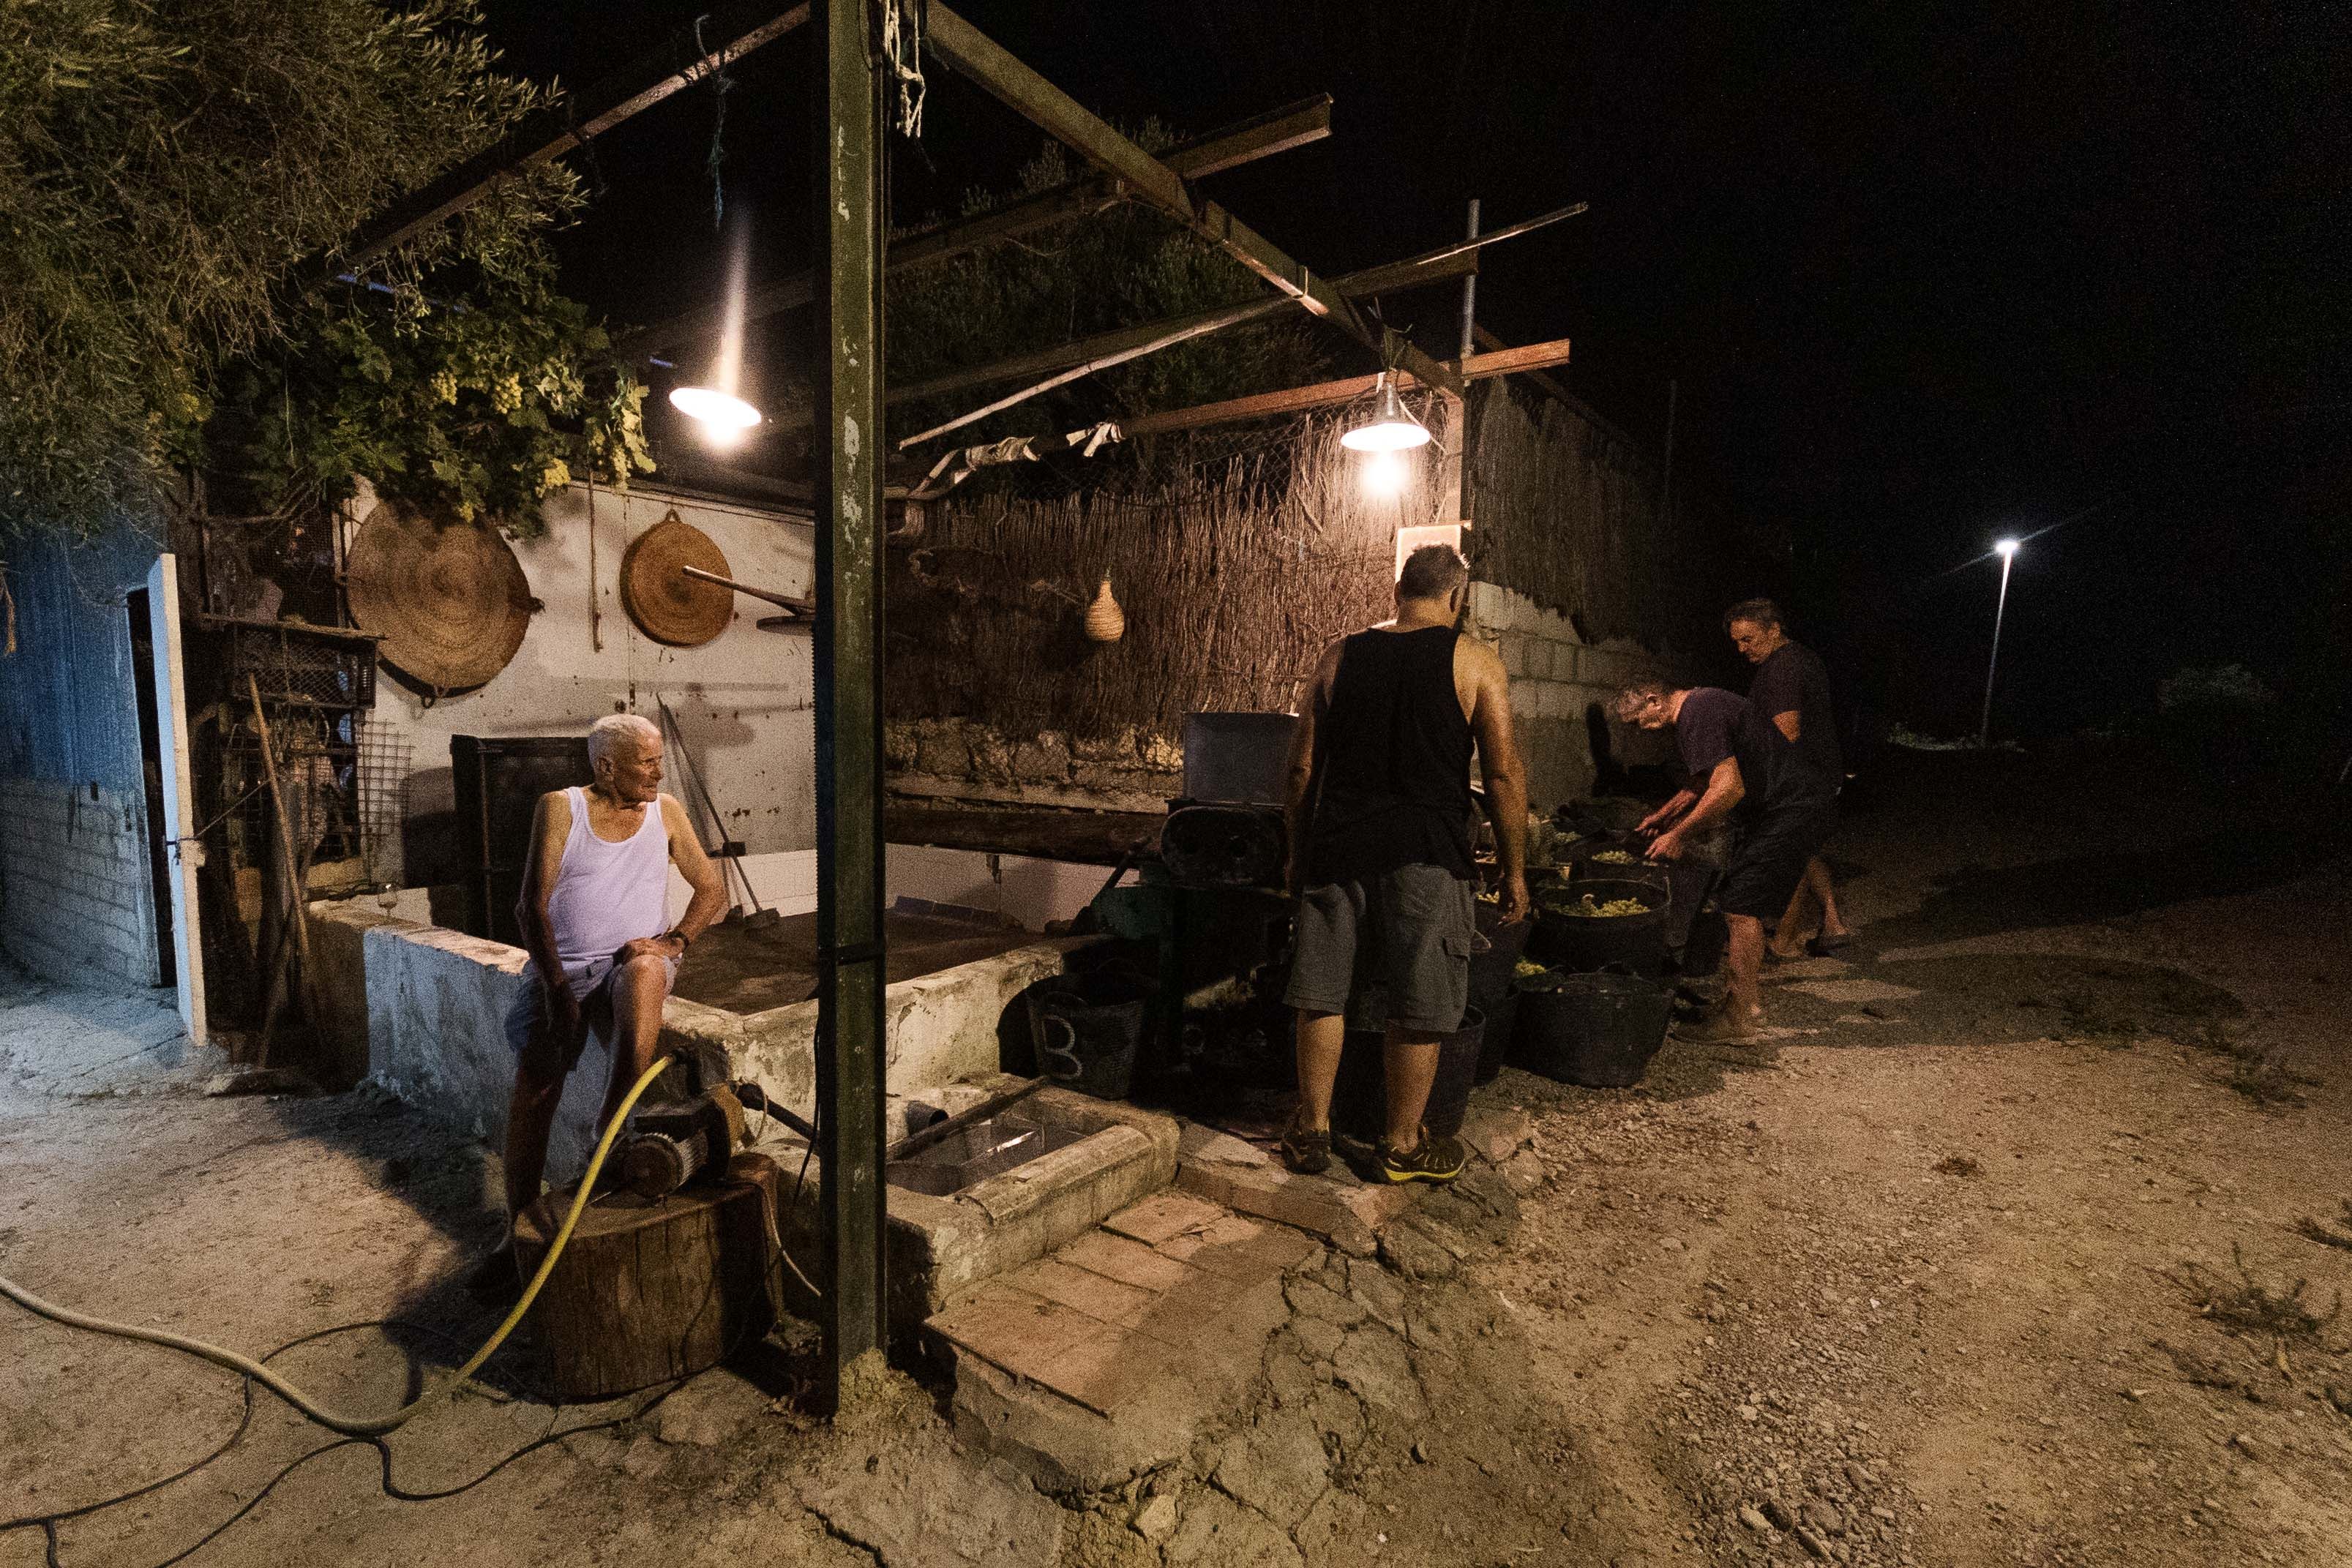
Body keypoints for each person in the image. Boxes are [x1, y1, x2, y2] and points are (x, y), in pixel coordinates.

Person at [1279, 544, 1529, 1183]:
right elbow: (1501, 773)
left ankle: (1311, 1133)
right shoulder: (1475, 662)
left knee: (1322, 992)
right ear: (1456, 597)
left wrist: (1297, 854)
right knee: (1420, 1002)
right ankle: (1400, 1145)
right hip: (1427, 853)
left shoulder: (1339, 655)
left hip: (1337, 849)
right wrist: (1514, 868)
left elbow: (1303, 767)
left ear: (1398, 591)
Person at [491, 713, 727, 1268]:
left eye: (657, 760)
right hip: (566, 971)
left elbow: (712, 888)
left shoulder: (665, 811)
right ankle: (516, 1228)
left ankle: (613, 1117)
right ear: (606, 765)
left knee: (645, 969)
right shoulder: (560, 808)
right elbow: (530, 907)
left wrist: (675, 940)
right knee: (535, 1088)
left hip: (632, 966)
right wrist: (559, 995)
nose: (657, 771)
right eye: (646, 762)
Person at [1614, 679, 1834, 1043]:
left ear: (1653, 701)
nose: (1643, 731)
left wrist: (1678, 835)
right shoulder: (1702, 706)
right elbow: (1704, 780)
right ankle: (1744, 1004)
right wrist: (1664, 815)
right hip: (1788, 806)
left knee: (1740, 906)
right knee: (1739, 900)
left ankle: (1739, 1018)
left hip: (1791, 808)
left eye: (1640, 721)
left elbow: (1730, 787)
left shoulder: (1696, 714)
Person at [1724, 598, 1853, 957]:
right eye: (1736, 641)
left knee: (1790, 853)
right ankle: (1833, 923)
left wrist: (1745, 770)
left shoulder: (1782, 668)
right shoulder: (1799, 657)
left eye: (1748, 639)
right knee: (1807, 849)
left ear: (1774, 629)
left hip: (1802, 778)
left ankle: (1782, 941)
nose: (1742, 649)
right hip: (1819, 773)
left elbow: (1787, 729)